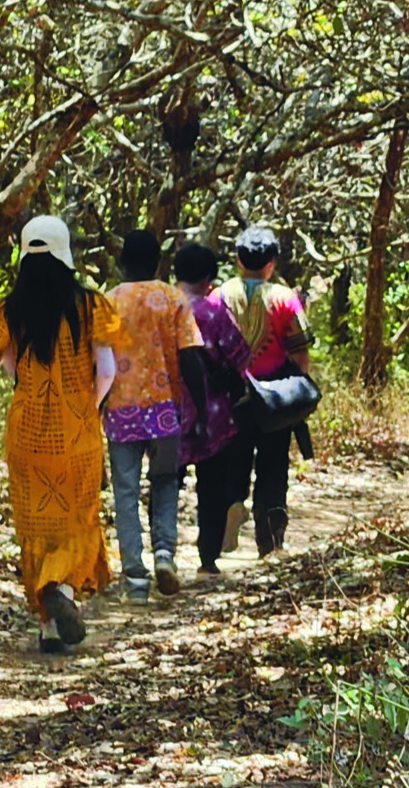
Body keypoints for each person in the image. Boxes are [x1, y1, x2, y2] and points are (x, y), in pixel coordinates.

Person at [0, 214, 114, 651]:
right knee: (77, 517)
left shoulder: (10, 308)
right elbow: (108, 372)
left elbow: (8, 365)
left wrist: (30, 390)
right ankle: (62, 593)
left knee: (36, 521)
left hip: (26, 432)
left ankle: (46, 626)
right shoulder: (92, 306)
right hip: (78, 432)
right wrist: (86, 409)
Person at [99, 227, 211, 600]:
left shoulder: (107, 302)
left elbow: (95, 363)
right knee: (165, 482)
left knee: (126, 492)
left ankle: (134, 579)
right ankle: (164, 554)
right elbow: (191, 356)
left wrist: (92, 408)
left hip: (120, 410)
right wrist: (202, 408)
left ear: (121, 262)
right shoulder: (173, 299)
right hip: (165, 410)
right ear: (159, 262)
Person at [223, 223, 312, 557]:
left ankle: (231, 508)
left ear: (237, 259)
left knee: (233, 461)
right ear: (272, 262)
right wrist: (301, 392)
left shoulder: (220, 297)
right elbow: (300, 352)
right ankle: (271, 543)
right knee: (273, 469)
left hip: (232, 396)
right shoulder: (285, 299)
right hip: (276, 400)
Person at [170, 240, 255, 585]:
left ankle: (164, 554)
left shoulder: (162, 309)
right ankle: (207, 559)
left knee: (165, 486)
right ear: (208, 280)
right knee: (212, 486)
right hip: (213, 413)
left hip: (168, 412)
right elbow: (241, 356)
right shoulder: (213, 313)